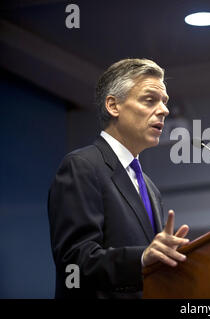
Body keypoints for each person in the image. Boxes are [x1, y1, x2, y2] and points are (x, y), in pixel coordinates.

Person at [47, 58, 190, 298]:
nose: (164, 110)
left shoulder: (150, 187)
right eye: (149, 100)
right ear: (113, 106)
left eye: (164, 102)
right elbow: (74, 263)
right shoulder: (82, 166)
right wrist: (142, 258)